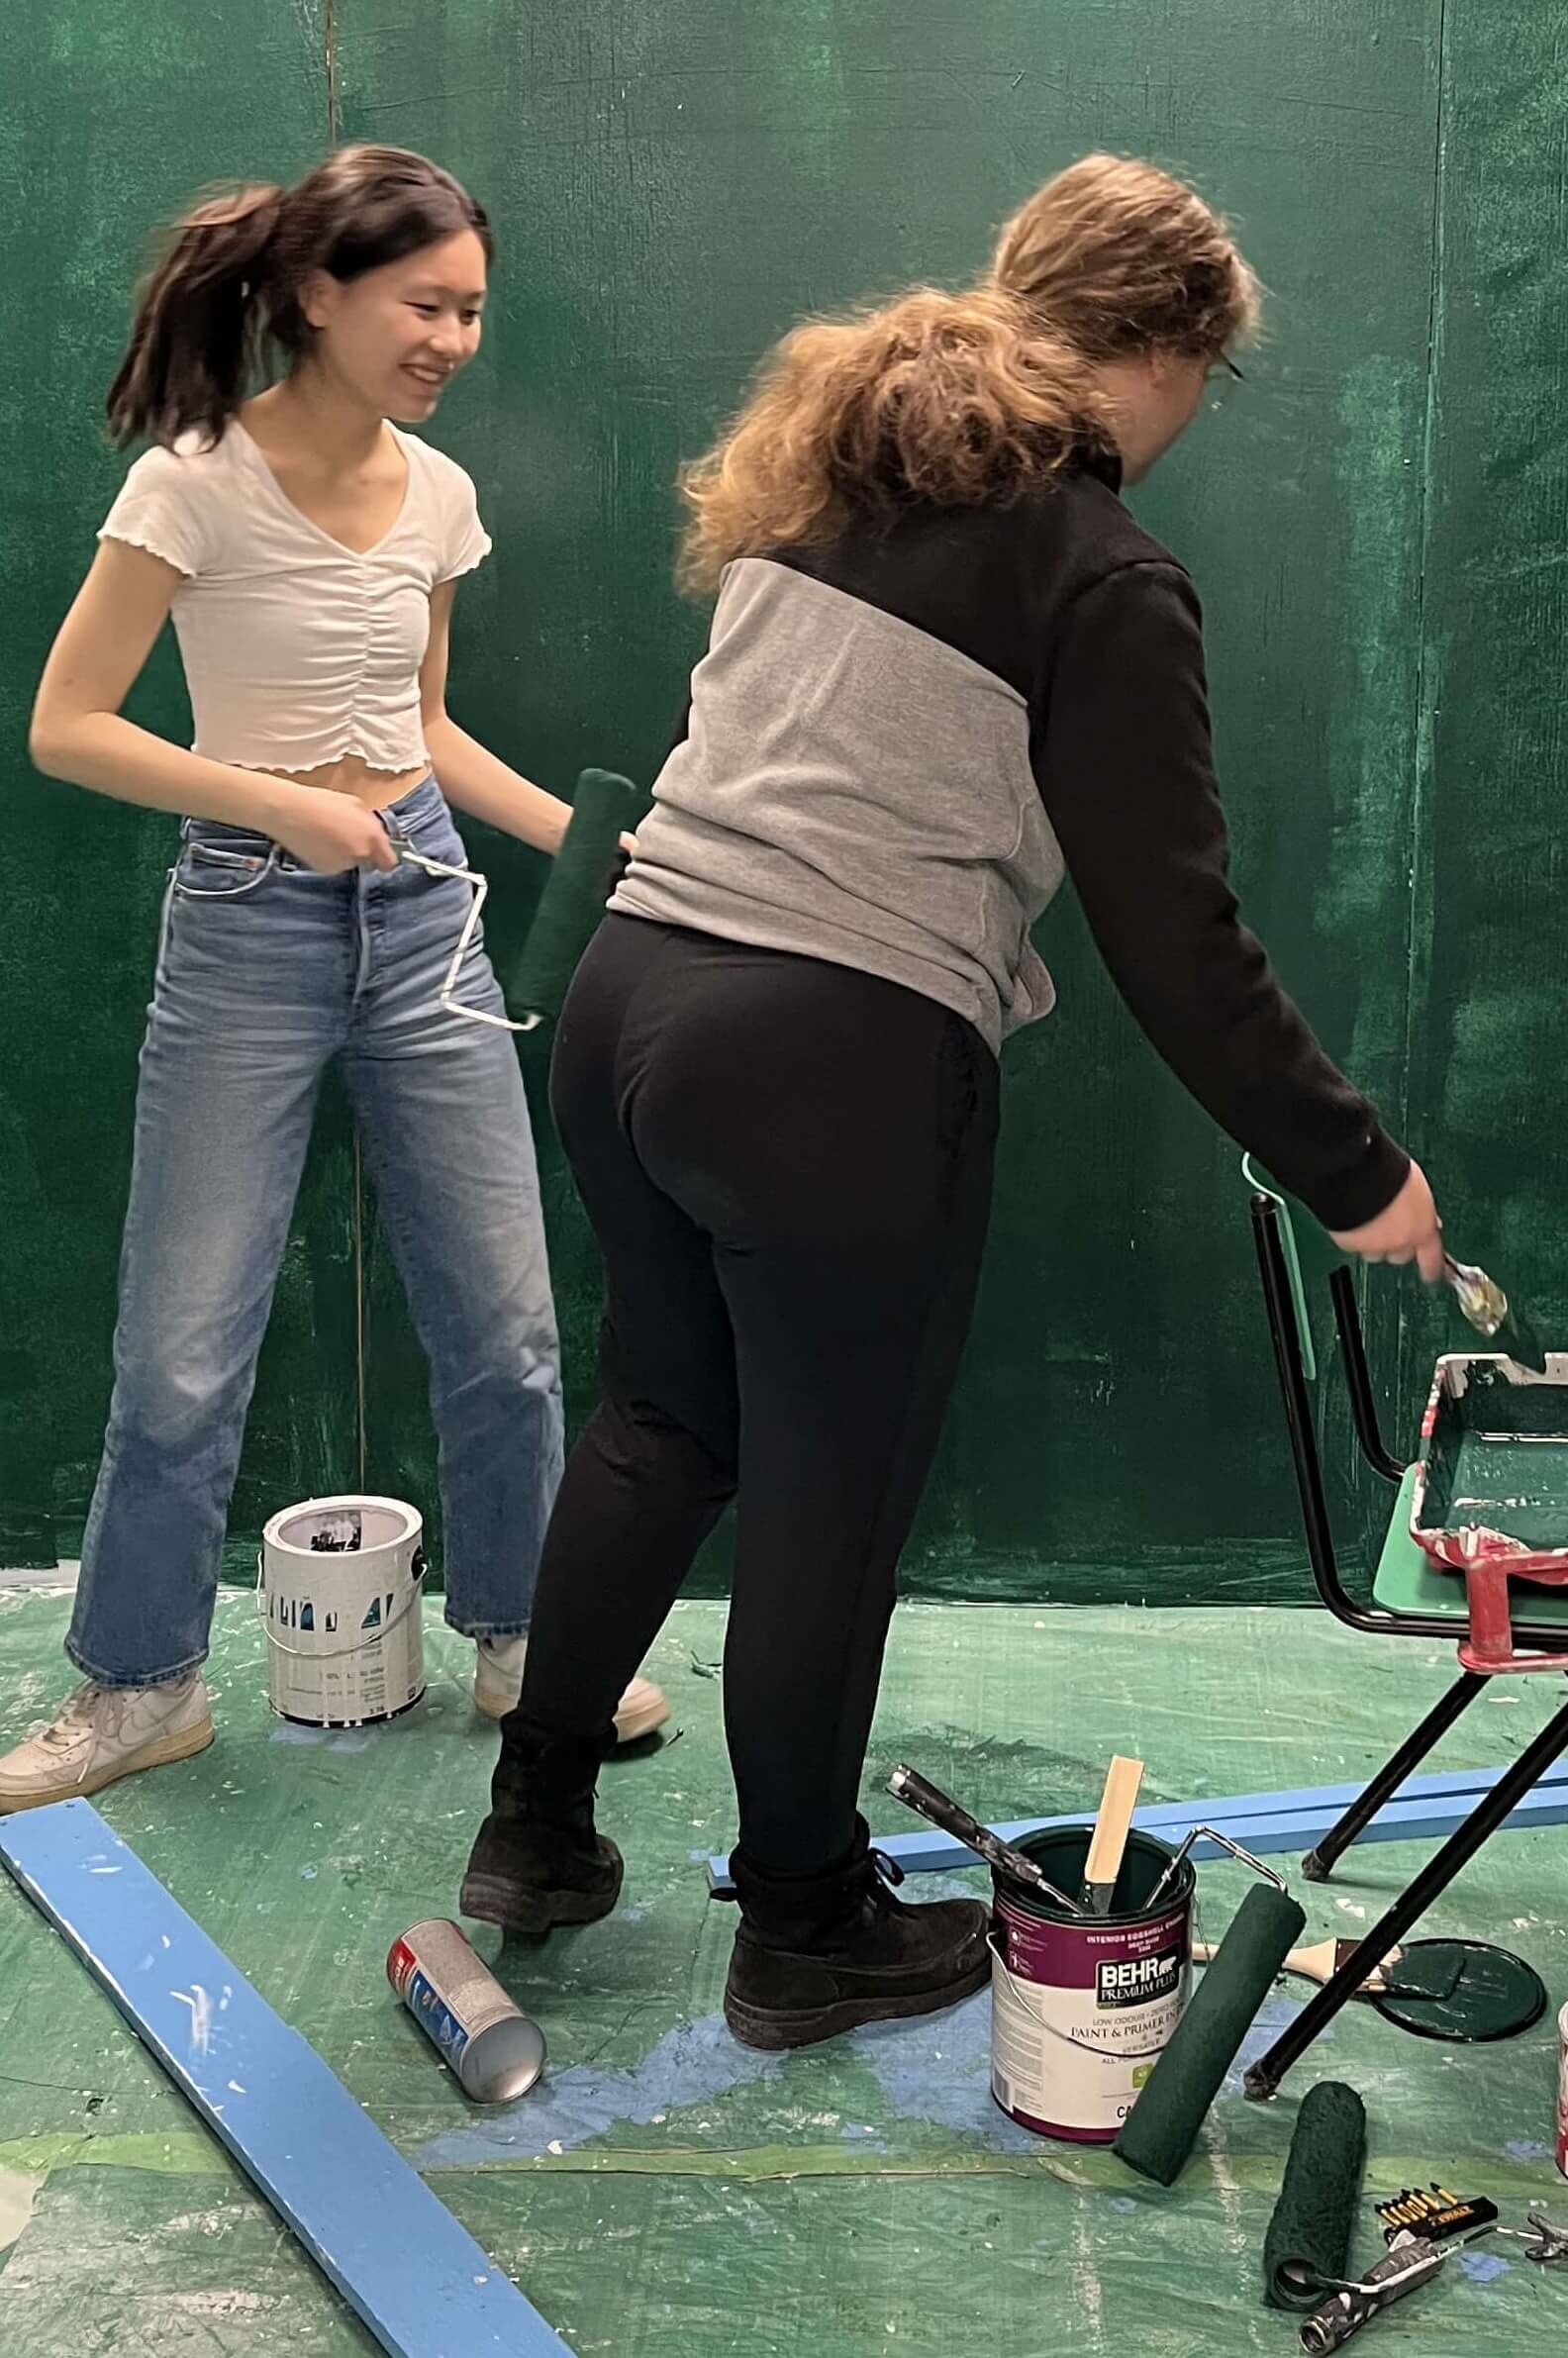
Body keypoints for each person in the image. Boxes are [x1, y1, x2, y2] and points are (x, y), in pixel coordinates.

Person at [459, 154, 1444, 2047]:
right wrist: (1354, 1167)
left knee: (662, 1419)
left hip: (628, 995)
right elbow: (1179, 936)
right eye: (1202, 379)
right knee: (830, 1494)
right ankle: (806, 1923)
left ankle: (538, 1826)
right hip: (825, 1057)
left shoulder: (829, 487)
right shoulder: (1108, 570)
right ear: (1159, 352)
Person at [3, 145, 667, 1815]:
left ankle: (525, 1644)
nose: (451, 338)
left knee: (509, 1329)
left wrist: (628, 849)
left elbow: (428, 731)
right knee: (179, 1346)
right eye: (423, 304)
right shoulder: (194, 480)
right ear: (317, 293)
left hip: (424, 904)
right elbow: (67, 727)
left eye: (471, 313)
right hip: (247, 916)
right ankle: (142, 1686)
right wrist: (284, 807)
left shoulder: (436, 496)